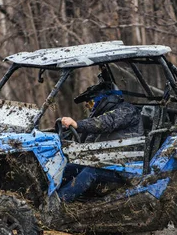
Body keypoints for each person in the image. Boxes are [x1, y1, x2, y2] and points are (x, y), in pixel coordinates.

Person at [57, 69, 141, 202]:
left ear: (105, 100)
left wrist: (77, 125)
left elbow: (107, 122)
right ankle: (48, 196)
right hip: (107, 163)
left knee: (90, 172)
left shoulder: (127, 111)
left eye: (91, 103)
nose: (91, 108)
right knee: (68, 168)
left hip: (126, 168)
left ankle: (59, 203)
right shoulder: (102, 116)